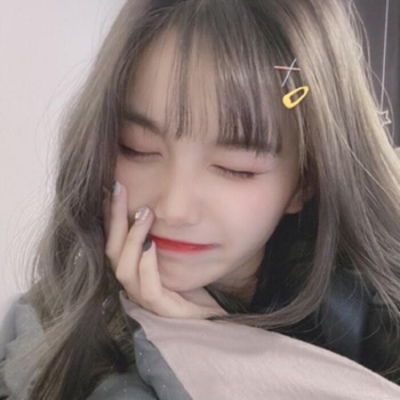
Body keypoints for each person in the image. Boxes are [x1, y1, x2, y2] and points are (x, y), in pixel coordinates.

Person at [1, 0, 400, 398]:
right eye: (137, 148)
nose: (173, 209)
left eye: (235, 168)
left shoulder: (379, 328)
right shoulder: (43, 328)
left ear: (306, 180)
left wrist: (211, 348)